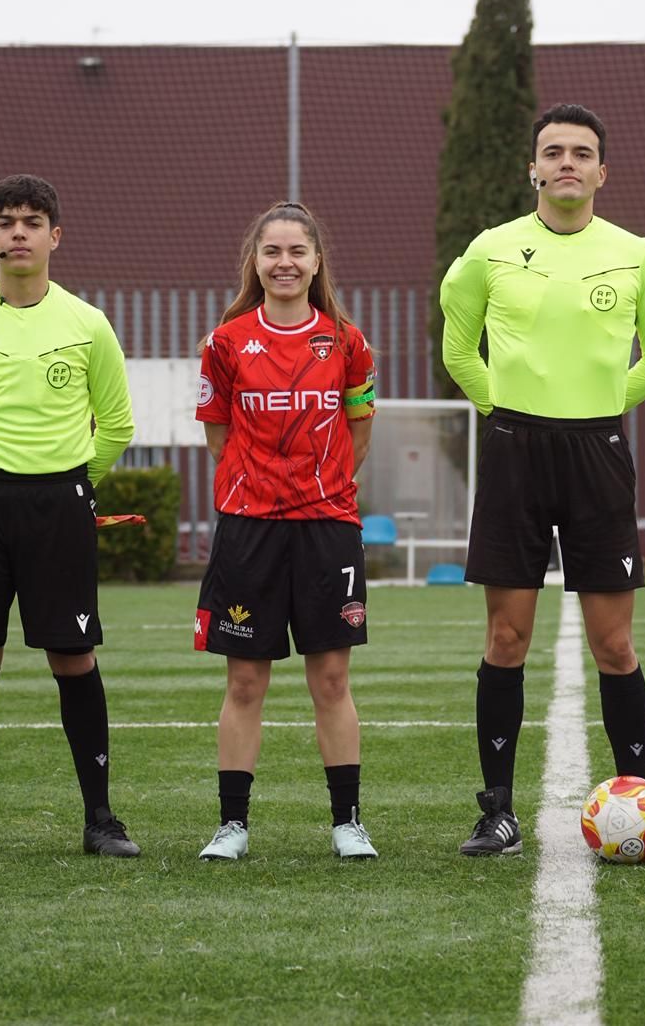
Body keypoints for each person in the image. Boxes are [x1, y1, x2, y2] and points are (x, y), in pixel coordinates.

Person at [440, 103, 645, 856]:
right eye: (554, 151)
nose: (567, 162)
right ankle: (497, 811)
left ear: (602, 172)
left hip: (597, 455)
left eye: (582, 152)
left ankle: (638, 804)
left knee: (614, 644)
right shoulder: (489, 250)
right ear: (534, 168)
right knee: (507, 636)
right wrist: (502, 409)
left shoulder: (636, 253)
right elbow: (457, 348)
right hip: (514, 450)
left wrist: (602, 408)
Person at [0, 173, 138, 858]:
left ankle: (101, 820)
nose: (18, 232)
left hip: (59, 504)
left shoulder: (86, 323)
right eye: (6, 221)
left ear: (54, 236)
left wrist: (69, 482)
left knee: (73, 656)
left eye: (32, 222)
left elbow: (118, 424)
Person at [192, 202, 380, 862]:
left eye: (297, 251)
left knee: (331, 680)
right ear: (256, 262)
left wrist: (317, 486)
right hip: (249, 530)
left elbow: (359, 431)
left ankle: (348, 823)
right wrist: (262, 485)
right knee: (245, 683)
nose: (285, 263)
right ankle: (232, 826)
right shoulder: (225, 343)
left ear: (317, 262)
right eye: (272, 252)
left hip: (327, 528)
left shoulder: (347, 343)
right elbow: (219, 436)